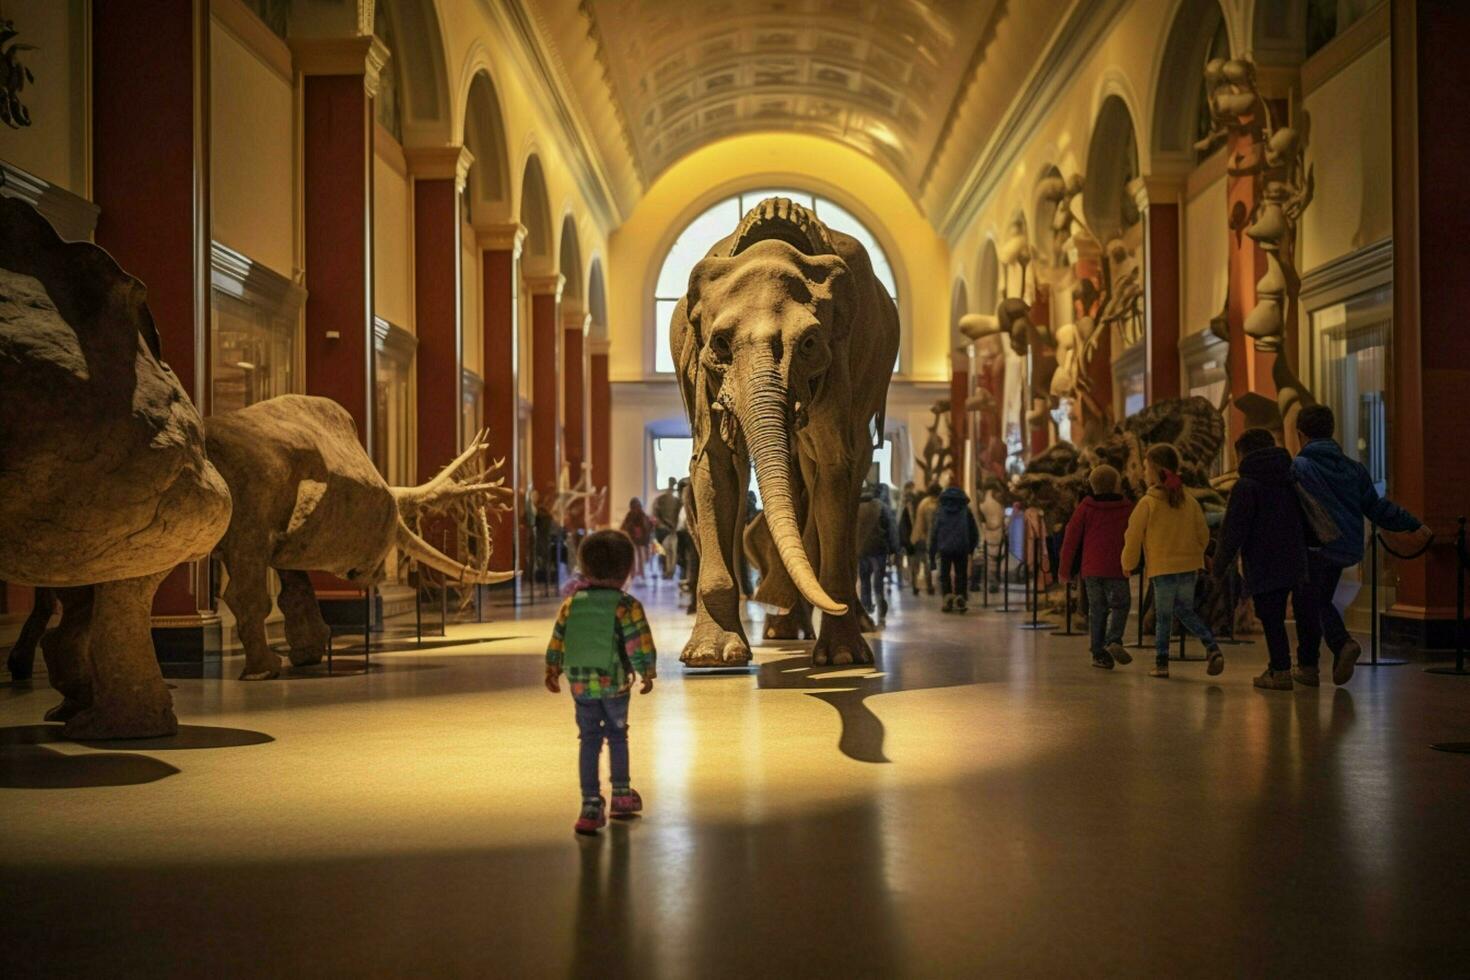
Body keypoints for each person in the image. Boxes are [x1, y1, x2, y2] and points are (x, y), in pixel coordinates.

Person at [1291, 404, 1429, 686]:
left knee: (1311, 603)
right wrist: (1413, 524)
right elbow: (1376, 507)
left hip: (1314, 546)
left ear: (1300, 434)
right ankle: (1313, 664)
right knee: (1318, 601)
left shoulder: (1299, 467)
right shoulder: (1354, 468)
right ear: (1332, 432)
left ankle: (1329, 653)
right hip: (1345, 547)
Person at [545, 530, 657, 836]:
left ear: (585, 567)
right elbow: (638, 643)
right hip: (615, 684)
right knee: (617, 736)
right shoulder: (626, 605)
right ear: (625, 571)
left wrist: (552, 669)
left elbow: (558, 639)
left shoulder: (571, 604)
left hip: (580, 685)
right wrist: (647, 671)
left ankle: (590, 805)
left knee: (589, 739)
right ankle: (621, 794)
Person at [1212, 427, 1309, 691]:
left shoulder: (1246, 486)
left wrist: (1218, 566)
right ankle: (1305, 666)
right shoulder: (1290, 478)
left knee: (1271, 616)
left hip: (1263, 560)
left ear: (1243, 454)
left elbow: (1233, 530)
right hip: (1295, 557)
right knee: (1298, 614)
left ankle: (1279, 669)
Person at [1121, 443, 1224, 679]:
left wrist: (1128, 563)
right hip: (1189, 567)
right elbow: (1203, 534)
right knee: (1185, 611)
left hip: (1162, 568)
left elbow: (1133, 535)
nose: (1144, 472)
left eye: (1146, 468)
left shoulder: (1148, 503)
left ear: (1155, 470)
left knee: (1164, 617)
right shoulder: (1188, 501)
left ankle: (1162, 663)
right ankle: (1212, 648)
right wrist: (1194, 554)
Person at [1058, 464, 1135, 670]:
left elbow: (1071, 539)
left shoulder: (1086, 507)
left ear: (1091, 485)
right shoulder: (1127, 507)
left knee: (1097, 609)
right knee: (1121, 604)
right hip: (1118, 567)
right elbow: (1136, 536)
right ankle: (1114, 639)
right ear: (1118, 484)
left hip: (1091, 569)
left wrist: (1065, 571)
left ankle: (1098, 653)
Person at [929, 484, 979, 613]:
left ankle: (947, 599)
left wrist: (932, 551)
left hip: (944, 548)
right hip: (962, 547)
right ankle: (960, 598)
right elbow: (973, 530)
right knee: (961, 574)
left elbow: (935, 532)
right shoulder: (966, 511)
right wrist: (971, 548)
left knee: (944, 575)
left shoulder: (940, 510)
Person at [857, 481, 899, 623]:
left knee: (864, 581)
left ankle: (866, 608)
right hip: (878, 549)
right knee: (878, 582)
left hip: (861, 550)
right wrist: (894, 549)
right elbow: (891, 529)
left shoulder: (856, 507)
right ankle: (881, 608)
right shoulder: (881, 506)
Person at [910, 482, 941, 596]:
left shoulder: (924, 502)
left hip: (916, 536)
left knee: (916, 563)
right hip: (923, 537)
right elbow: (930, 525)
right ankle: (929, 587)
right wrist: (931, 541)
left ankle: (915, 586)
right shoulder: (931, 504)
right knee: (926, 562)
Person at [651, 478, 682, 579]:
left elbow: (655, 515)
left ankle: (667, 572)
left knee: (667, 553)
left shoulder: (661, 499)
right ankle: (668, 572)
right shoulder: (675, 501)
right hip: (668, 530)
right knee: (670, 553)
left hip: (665, 530)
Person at [619, 497, 654, 581]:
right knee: (635, 558)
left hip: (641, 541)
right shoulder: (631, 516)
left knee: (641, 558)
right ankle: (635, 574)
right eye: (634, 507)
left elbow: (648, 528)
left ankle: (639, 574)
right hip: (634, 540)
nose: (635, 509)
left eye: (636, 506)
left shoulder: (642, 516)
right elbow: (624, 527)